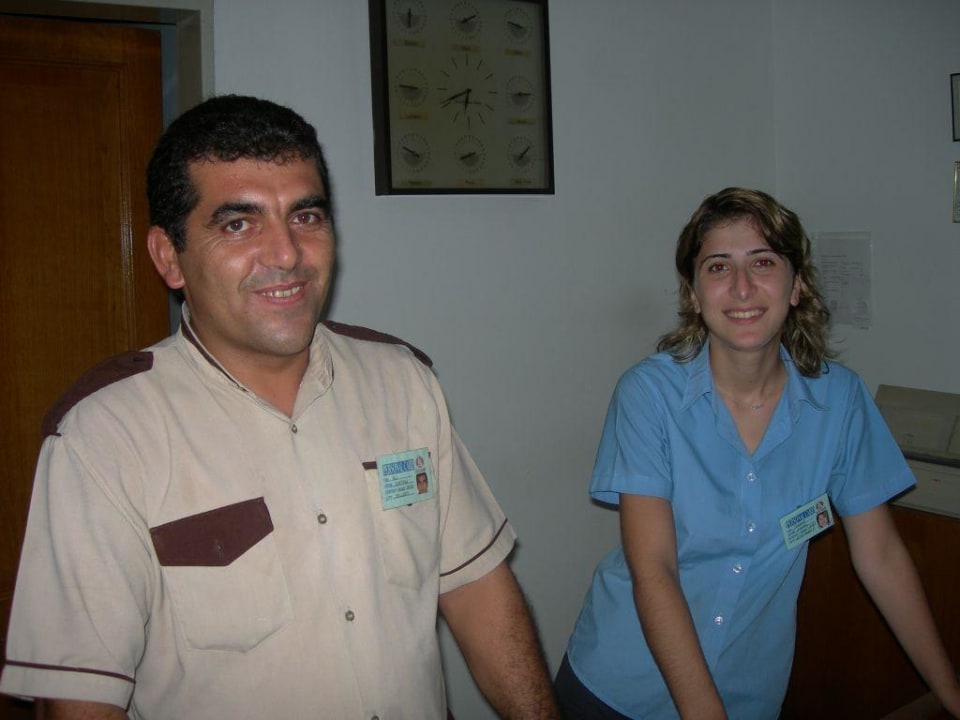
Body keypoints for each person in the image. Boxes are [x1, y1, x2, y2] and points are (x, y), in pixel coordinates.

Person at [0, 95, 558, 720]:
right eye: (239, 225)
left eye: (306, 216)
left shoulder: (401, 382)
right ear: (168, 257)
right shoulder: (105, 438)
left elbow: (478, 589)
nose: (287, 253)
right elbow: (82, 701)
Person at [554, 188, 960, 719]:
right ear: (694, 293)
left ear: (797, 285)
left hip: (747, 694)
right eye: (719, 266)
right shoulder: (648, 394)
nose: (742, 287)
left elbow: (880, 555)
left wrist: (951, 694)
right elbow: (654, 569)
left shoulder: (840, 400)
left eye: (763, 262)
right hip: (618, 688)